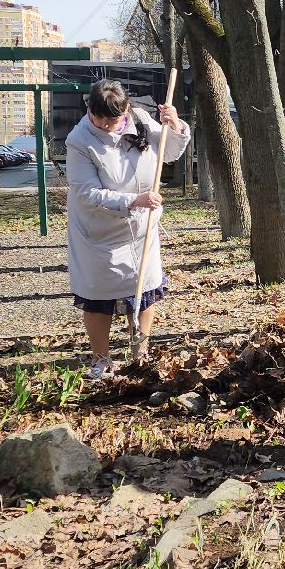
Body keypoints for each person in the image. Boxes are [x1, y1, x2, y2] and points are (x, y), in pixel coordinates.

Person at [65, 79, 191, 378]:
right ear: (90, 110)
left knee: (144, 288)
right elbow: (86, 192)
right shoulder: (79, 141)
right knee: (99, 296)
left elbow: (168, 153)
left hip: (142, 225)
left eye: (114, 118)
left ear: (125, 110)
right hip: (99, 230)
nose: (107, 125)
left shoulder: (140, 120)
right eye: (100, 119)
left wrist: (175, 126)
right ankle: (101, 358)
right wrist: (133, 200)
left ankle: (140, 352)